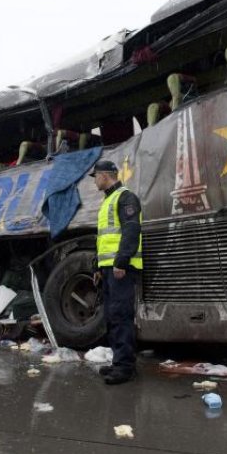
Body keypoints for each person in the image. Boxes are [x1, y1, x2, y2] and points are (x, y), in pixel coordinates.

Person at [90, 160, 143, 385]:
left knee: (121, 316)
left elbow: (131, 230)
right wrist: (98, 267)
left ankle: (125, 367)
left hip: (121, 268)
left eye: (96, 176)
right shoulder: (108, 201)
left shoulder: (125, 196)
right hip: (110, 269)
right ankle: (118, 362)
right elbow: (104, 239)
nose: (95, 180)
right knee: (112, 316)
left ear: (105, 175)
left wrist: (121, 262)